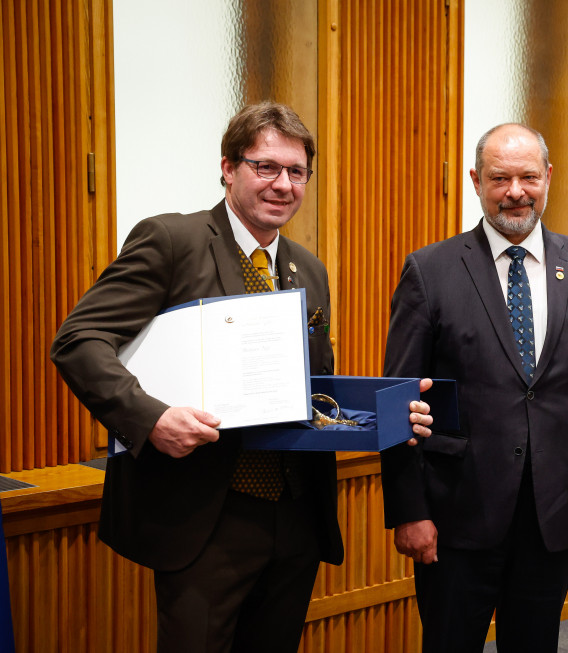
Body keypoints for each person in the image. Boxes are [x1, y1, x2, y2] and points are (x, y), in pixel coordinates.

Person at [50, 102, 433, 653]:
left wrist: (389, 411)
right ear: (228, 168)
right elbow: (79, 340)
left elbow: (313, 388)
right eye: (265, 167)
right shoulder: (171, 241)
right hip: (206, 515)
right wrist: (151, 418)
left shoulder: (309, 269)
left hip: (296, 514)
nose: (283, 184)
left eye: (297, 171)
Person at [380, 123, 568, 652]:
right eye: (500, 178)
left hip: (554, 512)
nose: (515, 191)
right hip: (456, 514)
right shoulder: (430, 271)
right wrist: (410, 510)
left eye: (527, 177)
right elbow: (397, 400)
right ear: (476, 181)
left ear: (548, 177)